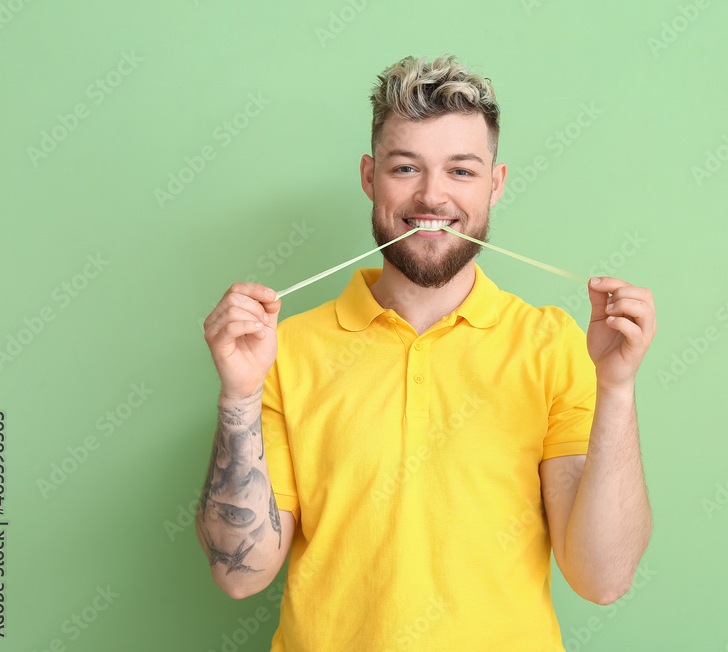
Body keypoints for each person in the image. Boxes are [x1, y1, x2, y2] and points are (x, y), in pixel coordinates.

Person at [196, 54, 655, 651]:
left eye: (461, 171)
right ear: (369, 177)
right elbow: (241, 574)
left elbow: (603, 578)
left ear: (496, 183)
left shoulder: (552, 345)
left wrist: (617, 388)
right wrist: (239, 395)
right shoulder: (286, 350)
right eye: (406, 167)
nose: (432, 196)